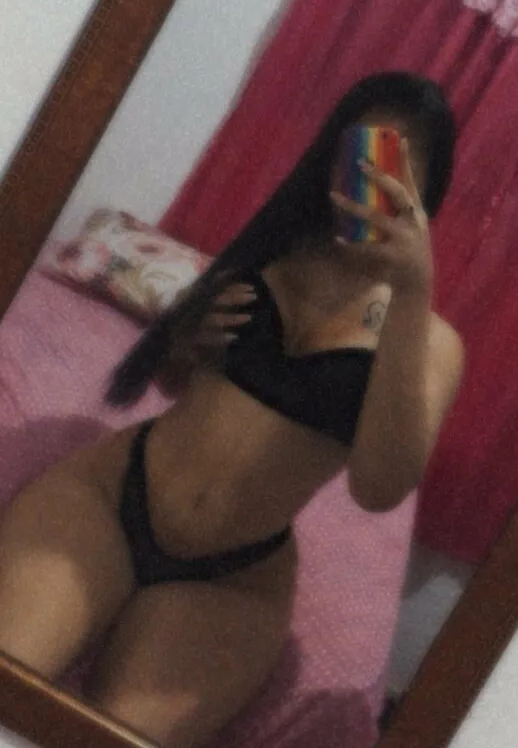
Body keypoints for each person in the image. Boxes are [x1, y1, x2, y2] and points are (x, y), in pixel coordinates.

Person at [0, 72, 464, 748]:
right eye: (359, 150)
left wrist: (411, 287)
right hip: (110, 496)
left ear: (427, 186)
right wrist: (189, 341)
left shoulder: (430, 342)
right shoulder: (271, 249)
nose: (371, 176)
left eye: (394, 162)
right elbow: (169, 379)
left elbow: (379, 488)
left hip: (234, 578)